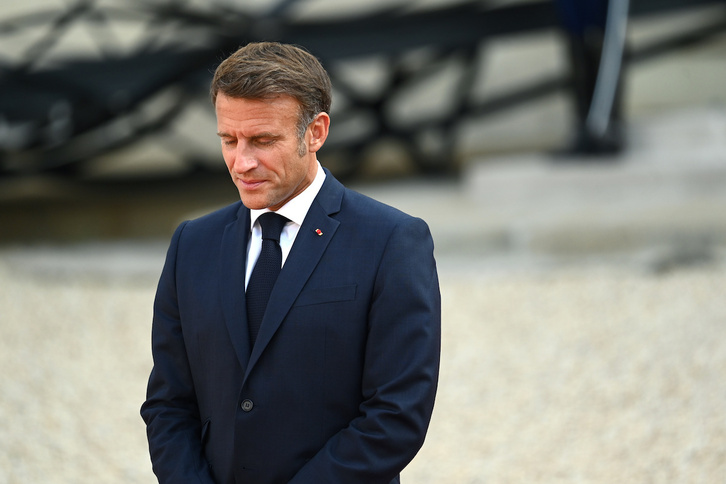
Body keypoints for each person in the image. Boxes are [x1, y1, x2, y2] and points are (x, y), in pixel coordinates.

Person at [140, 42, 441, 484]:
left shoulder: (392, 241)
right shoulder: (192, 244)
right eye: (229, 140)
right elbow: (169, 403)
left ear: (316, 132)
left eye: (263, 141)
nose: (242, 163)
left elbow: (397, 415)